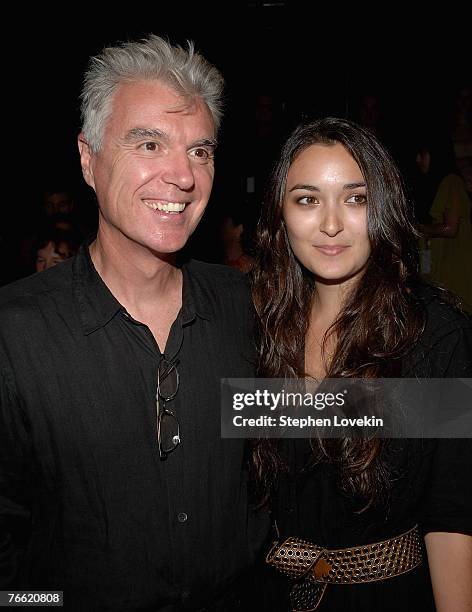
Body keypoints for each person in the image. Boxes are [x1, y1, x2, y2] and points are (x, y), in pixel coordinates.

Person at [0, 35, 267, 611]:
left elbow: (325, 425)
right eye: (149, 143)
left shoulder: (249, 309)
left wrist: (447, 393)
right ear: (87, 157)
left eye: (200, 151)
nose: (183, 176)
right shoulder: (14, 334)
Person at [251, 118, 472, 611]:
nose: (331, 224)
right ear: (280, 214)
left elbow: (452, 512)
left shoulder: (433, 333)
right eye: (307, 199)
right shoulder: (259, 330)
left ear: (384, 207)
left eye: (356, 198)